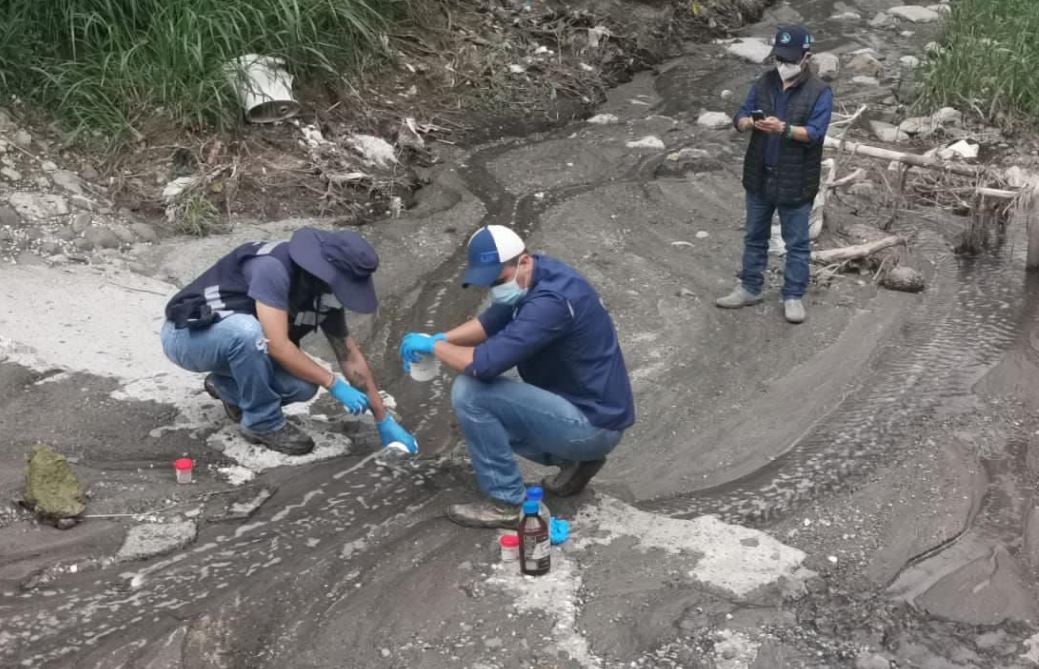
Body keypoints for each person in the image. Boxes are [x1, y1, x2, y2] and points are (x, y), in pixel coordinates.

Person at [398, 225, 635, 528]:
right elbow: (492, 320)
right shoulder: (540, 274)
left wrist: (435, 346)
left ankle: (506, 503)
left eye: (498, 280)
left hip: (590, 425)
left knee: (471, 394)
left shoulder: (551, 303)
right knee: (478, 405)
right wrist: (443, 338)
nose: (495, 290)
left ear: (522, 261)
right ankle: (575, 463)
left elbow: (484, 364)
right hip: (592, 412)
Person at [161, 227, 416, 456]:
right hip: (187, 338)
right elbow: (277, 346)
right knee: (249, 332)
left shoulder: (325, 294)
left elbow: (348, 355)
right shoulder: (273, 268)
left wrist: (382, 418)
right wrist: (333, 383)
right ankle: (262, 423)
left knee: (304, 386)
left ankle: (228, 388)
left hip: (242, 349)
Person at [716, 25, 834, 324]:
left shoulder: (820, 92)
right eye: (779, 59)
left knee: (797, 242)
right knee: (755, 235)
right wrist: (746, 124)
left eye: (790, 59)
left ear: (806, 57)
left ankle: (793, 295)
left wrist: (785, 129)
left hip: (796, 177)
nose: (783, 65)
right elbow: (741, 114)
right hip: (759, 173)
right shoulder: (764, 83)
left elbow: (816, 134)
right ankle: (749, 287)